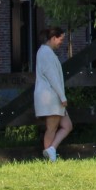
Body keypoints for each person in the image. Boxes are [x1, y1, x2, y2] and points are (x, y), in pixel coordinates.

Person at [33, 26, 71, 161]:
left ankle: (51, 150)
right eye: (61, 39)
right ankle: (50, 158)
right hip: (51, 97)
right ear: (54, 38)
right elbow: (53, 78)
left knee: (67, 125)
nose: (61, 42)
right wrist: (62, 97)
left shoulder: (45, 52)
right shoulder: (46, 53)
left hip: (51, 97)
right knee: (52, 128)